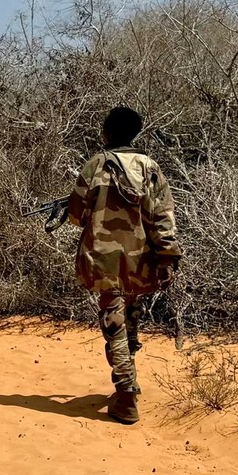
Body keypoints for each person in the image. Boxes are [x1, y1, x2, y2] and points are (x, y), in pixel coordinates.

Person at [66, 105, 182, 425]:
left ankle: (126, 393)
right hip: (140, 258)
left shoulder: (96, 164)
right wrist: (167, 257)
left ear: (108, 132)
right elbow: (163, 218)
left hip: (103, 258)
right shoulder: (150, 167)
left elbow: (75, 215)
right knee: (129, 313)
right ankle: (130, 380)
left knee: (113, 320)